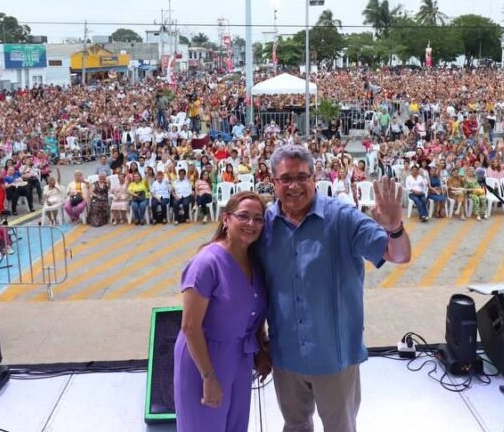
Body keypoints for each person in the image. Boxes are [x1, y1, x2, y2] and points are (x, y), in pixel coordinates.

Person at [259, 144, 411, 432]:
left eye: (302, 177)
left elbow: (399, 255)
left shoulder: (342, 218)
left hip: (334, 356)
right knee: (295, 425)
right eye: (286, 179)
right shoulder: (264, 224)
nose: (294, 186)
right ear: (273, 181)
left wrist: (395, 228)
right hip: (285, 354)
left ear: (315, 178)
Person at [174, 191, 270, 432]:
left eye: (258, 219)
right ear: (226, 219)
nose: (251, 224)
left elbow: (253, 314)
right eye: (244, 216)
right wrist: (208, 377)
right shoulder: (207, 262)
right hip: (204, 359)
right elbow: (190, 326)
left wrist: (261, 351)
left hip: (240, 359)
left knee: (236, 426)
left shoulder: (255, 262)